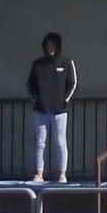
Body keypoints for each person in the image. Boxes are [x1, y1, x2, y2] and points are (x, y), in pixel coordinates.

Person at [27, 31, 78, 183]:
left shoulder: (66, 62)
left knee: (60, 142)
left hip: (60, 111)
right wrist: (36, 99)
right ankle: (39, 174)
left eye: (53, 45)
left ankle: (62, 174)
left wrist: (64, 101)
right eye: (48, 45)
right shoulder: (38, 64)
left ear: (58, 46)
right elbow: (30, 85)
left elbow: (72, 83)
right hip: (40, 110)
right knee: (40, 143)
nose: (50, 48)